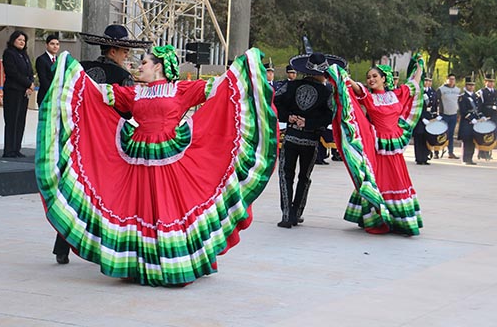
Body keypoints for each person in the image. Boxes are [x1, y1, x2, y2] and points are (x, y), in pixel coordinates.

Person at [35, 45, 277, 286]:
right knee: (139, 208)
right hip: (138, 157)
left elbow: (220, 88)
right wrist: (71, 72)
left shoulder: (180, 89)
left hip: (171, 156)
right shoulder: (135, 93)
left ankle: (175, 263)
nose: (140, 66)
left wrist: (243, 67)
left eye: (145, 62)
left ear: (158, 67)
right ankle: (137, 264)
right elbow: (97, 93)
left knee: (169, 206)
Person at [50, 25, 151, 265]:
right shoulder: (121, 77)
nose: (127, 54)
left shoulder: (81, 68)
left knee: (76, 187)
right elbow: (127, 111)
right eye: (124, 50)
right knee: (106, 194)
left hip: (79, 138)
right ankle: (106, 247)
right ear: (114, 50)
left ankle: (61, 247)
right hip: (107, 143)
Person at [326, 54, 424, 236]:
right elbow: (353, 86)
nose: (371, 79)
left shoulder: (398, 94)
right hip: (377, 146)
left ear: (384, 79)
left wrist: (420, 66)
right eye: (369, 77)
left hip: (393, 146)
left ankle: (400, 220)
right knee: (377, 180)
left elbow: (414, 84)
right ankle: (377, 217)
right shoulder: (368, 97)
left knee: (396, 179)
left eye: (374, 76)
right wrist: (339, 73)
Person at [274, 52, 344, 228]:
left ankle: (286, 214)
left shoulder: (290, 86)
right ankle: (296, 213)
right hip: (311, 140)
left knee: (285, 175)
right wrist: (309, 123)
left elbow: (274, 104)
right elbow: (330, 116)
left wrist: (289, 117)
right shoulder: (327, 92)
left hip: (290, 137)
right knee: (304, 177)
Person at [2, 30, 34, 158]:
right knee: (12, 120)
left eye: (24, 40)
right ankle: (9, 149)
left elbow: (30, 72)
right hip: (13, 91)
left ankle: (16, 148)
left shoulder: (24, 55)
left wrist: (30, 84)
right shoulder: (9, 53)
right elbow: (13, 72)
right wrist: (28, 83)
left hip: (24, 92)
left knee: (21, 120)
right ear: (13, 40)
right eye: (19, 39)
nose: (22, 42)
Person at [458, 76, 484, 165]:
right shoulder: (463, 97)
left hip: (475, 121)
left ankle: (470, 158)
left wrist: (481, 116)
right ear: (466, 85)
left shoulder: (476, 96)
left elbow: (478, 108)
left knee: (473, 140)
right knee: (467, 140)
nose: (471, 87)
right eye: (469, 85)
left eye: (473, 85)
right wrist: (471, 119)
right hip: (467, 121)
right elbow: (463, 111)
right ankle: (465, 159)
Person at [413, 76, 438, 165]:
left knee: (427, 138)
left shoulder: (433, 92)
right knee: (419, 138)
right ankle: (419, 158)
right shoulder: (418, 91)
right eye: (426, 80)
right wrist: (422, 118)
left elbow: (434, 106)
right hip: (420, 119)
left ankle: (425, 157)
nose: (427, 82)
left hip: (429, 119)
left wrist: (436, 116)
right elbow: (416, 106)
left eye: (429, 80)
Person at [436, 73, 461, 159]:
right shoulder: (441, 89)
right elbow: (436, 102)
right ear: (447, 79)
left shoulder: (458, 90)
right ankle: (436, 151)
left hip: (453, 114)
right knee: (441, 133)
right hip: (444, 114)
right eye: (450, 79)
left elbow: (458, 102)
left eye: (453, 79)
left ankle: (451, 152)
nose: (451, 81)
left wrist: (458, 114)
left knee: (450, 134)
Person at [35, 34, 59, 107]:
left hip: (57, 98)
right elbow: (43, 79)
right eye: (52, 44)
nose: (55, 46)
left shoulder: (59, 60)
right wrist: (53, 92)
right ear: (47, 45)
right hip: (46, 96)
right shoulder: (41, 59)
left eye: (57, 44)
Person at [476, 72, 496, 160]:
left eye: (492, 82)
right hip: (485, 115)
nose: (491, 84)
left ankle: (488, 151)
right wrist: (481, 115)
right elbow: (479, 105)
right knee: (484, 134)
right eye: (489, 82)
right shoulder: (481, 92)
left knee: (492, 134)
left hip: (494, 116)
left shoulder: (495, 92)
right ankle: (481, 152)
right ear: (485, 82)